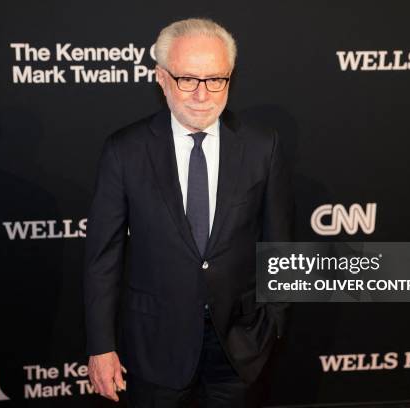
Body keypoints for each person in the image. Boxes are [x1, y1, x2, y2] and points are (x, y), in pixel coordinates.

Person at [84, 17, 294, 407]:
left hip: (240, 346)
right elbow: (103, 258)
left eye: (216, 79)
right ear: (161, 78)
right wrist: (101, 346)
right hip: (153, 348)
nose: (203, 94)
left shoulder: (263, 146)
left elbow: (278, 241)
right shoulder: (125, 150)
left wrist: (273, 325)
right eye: (188, 80)